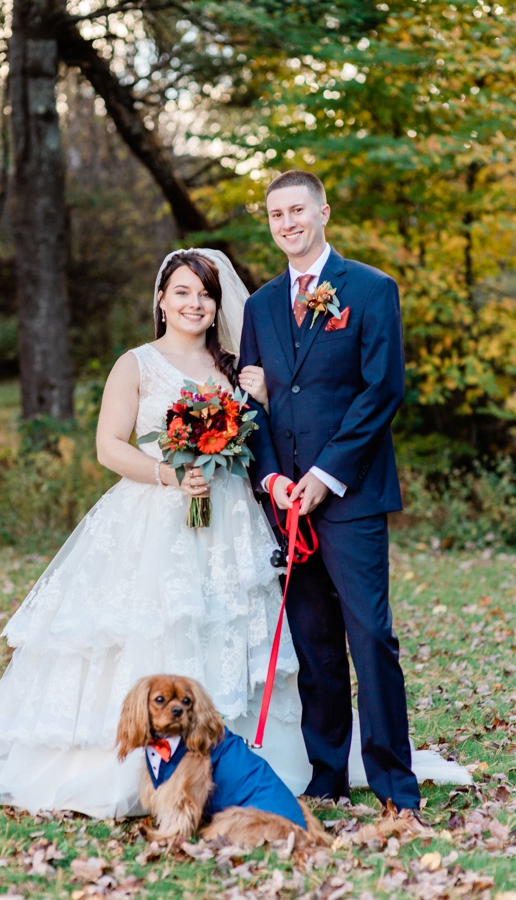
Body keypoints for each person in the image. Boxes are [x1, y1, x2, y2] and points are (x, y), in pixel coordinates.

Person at [0, 247, 470, 817]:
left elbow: (276, 431)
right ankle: (148, 761)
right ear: (161, 300)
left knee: (245, 629)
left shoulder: (237, 368)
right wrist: (169, 474)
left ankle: (260, 757)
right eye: (182, 292)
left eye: (205, 294)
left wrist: (261, 401)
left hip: (232, 520)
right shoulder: (135, 364)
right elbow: (109, 447)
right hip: (155, 518)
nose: (195, 303)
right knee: (161, 623)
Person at [238, 169, 437, 816]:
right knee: (313, 641)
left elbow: (382, 391)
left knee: (370, 637)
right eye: (276, 215)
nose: (287, 222)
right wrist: (271, 478)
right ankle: (327, 776)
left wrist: (323, 478)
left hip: (348, 496)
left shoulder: (372, 290)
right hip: (284, 501)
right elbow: (255, 401)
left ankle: (393, 784)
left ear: (323, 211)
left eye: (297, 210)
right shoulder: (261, 306)